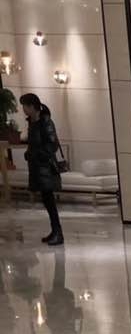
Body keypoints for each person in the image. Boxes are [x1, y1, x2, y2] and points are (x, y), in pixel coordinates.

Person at [20, 92, 64, 246]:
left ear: (32, 106)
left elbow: (52, 144)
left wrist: (38, 154)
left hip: (46, 168)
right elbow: (34, 143)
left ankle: (58, 233)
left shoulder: (45, 122)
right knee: (46, 200)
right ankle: (55, 231)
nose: (23, 110)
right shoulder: (32, 122)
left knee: (49, 200)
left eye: (25, 106)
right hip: (38, 168)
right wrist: (29, 153)